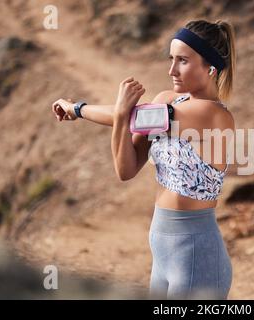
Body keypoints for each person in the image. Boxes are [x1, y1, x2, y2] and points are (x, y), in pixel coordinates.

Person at [51, 19, 236, 300]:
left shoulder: (212, 115)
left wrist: (85, 109)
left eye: (183, 61)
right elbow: (125, 169)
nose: (171, 70)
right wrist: (100, 112)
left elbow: (131, 116)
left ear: (210, 68)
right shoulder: (168, 101)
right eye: (171, 59)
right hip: (163, 251)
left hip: (197, 255)